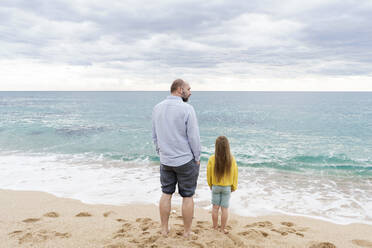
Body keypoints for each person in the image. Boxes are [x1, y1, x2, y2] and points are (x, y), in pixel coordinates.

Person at [152, 79, 201, 237]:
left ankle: (164, 229)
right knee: (187, 196)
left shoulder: (157, 108)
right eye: (189, 88)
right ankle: (187, 232)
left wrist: (161, 152)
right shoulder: (187, 109)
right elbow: (193, 137)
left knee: (166, 193)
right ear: (180, 90)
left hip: (166, 160)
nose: (190, 91)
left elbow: (155, 135)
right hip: (185, 160)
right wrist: (197, 157)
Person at [207, 136, 238, 234]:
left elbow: (209, 173)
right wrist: (234, 186)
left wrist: (210, 184)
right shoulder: (231, 159)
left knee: (215, 208)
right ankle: (222, 229)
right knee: (224, 209)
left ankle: (215, 227)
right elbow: (235, 173)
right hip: (226, 187)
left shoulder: (212, 159)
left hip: (215, 186)